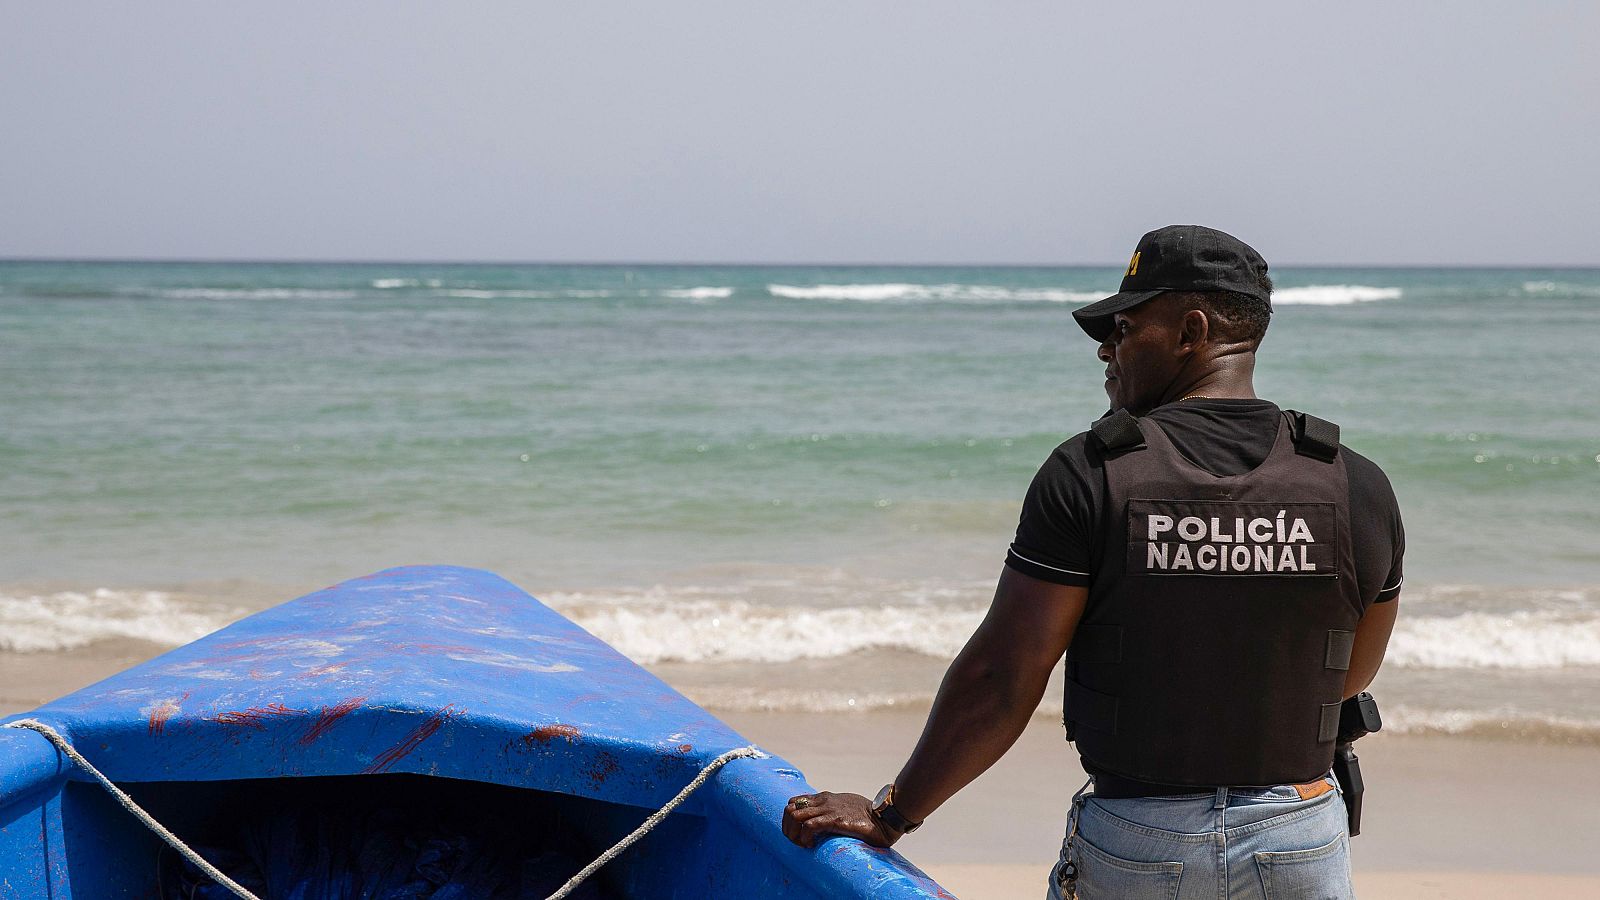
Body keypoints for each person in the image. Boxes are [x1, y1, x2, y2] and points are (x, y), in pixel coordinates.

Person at [779, 225, 1404, 900]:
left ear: (1192, 330)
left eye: (1125, 327)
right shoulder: (1354, 483)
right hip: (1301, 841)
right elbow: (1353, 673)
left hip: (1143, 847)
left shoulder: (1093, 473)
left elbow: (1002, 678)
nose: (1106, 349)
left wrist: (890, 814)